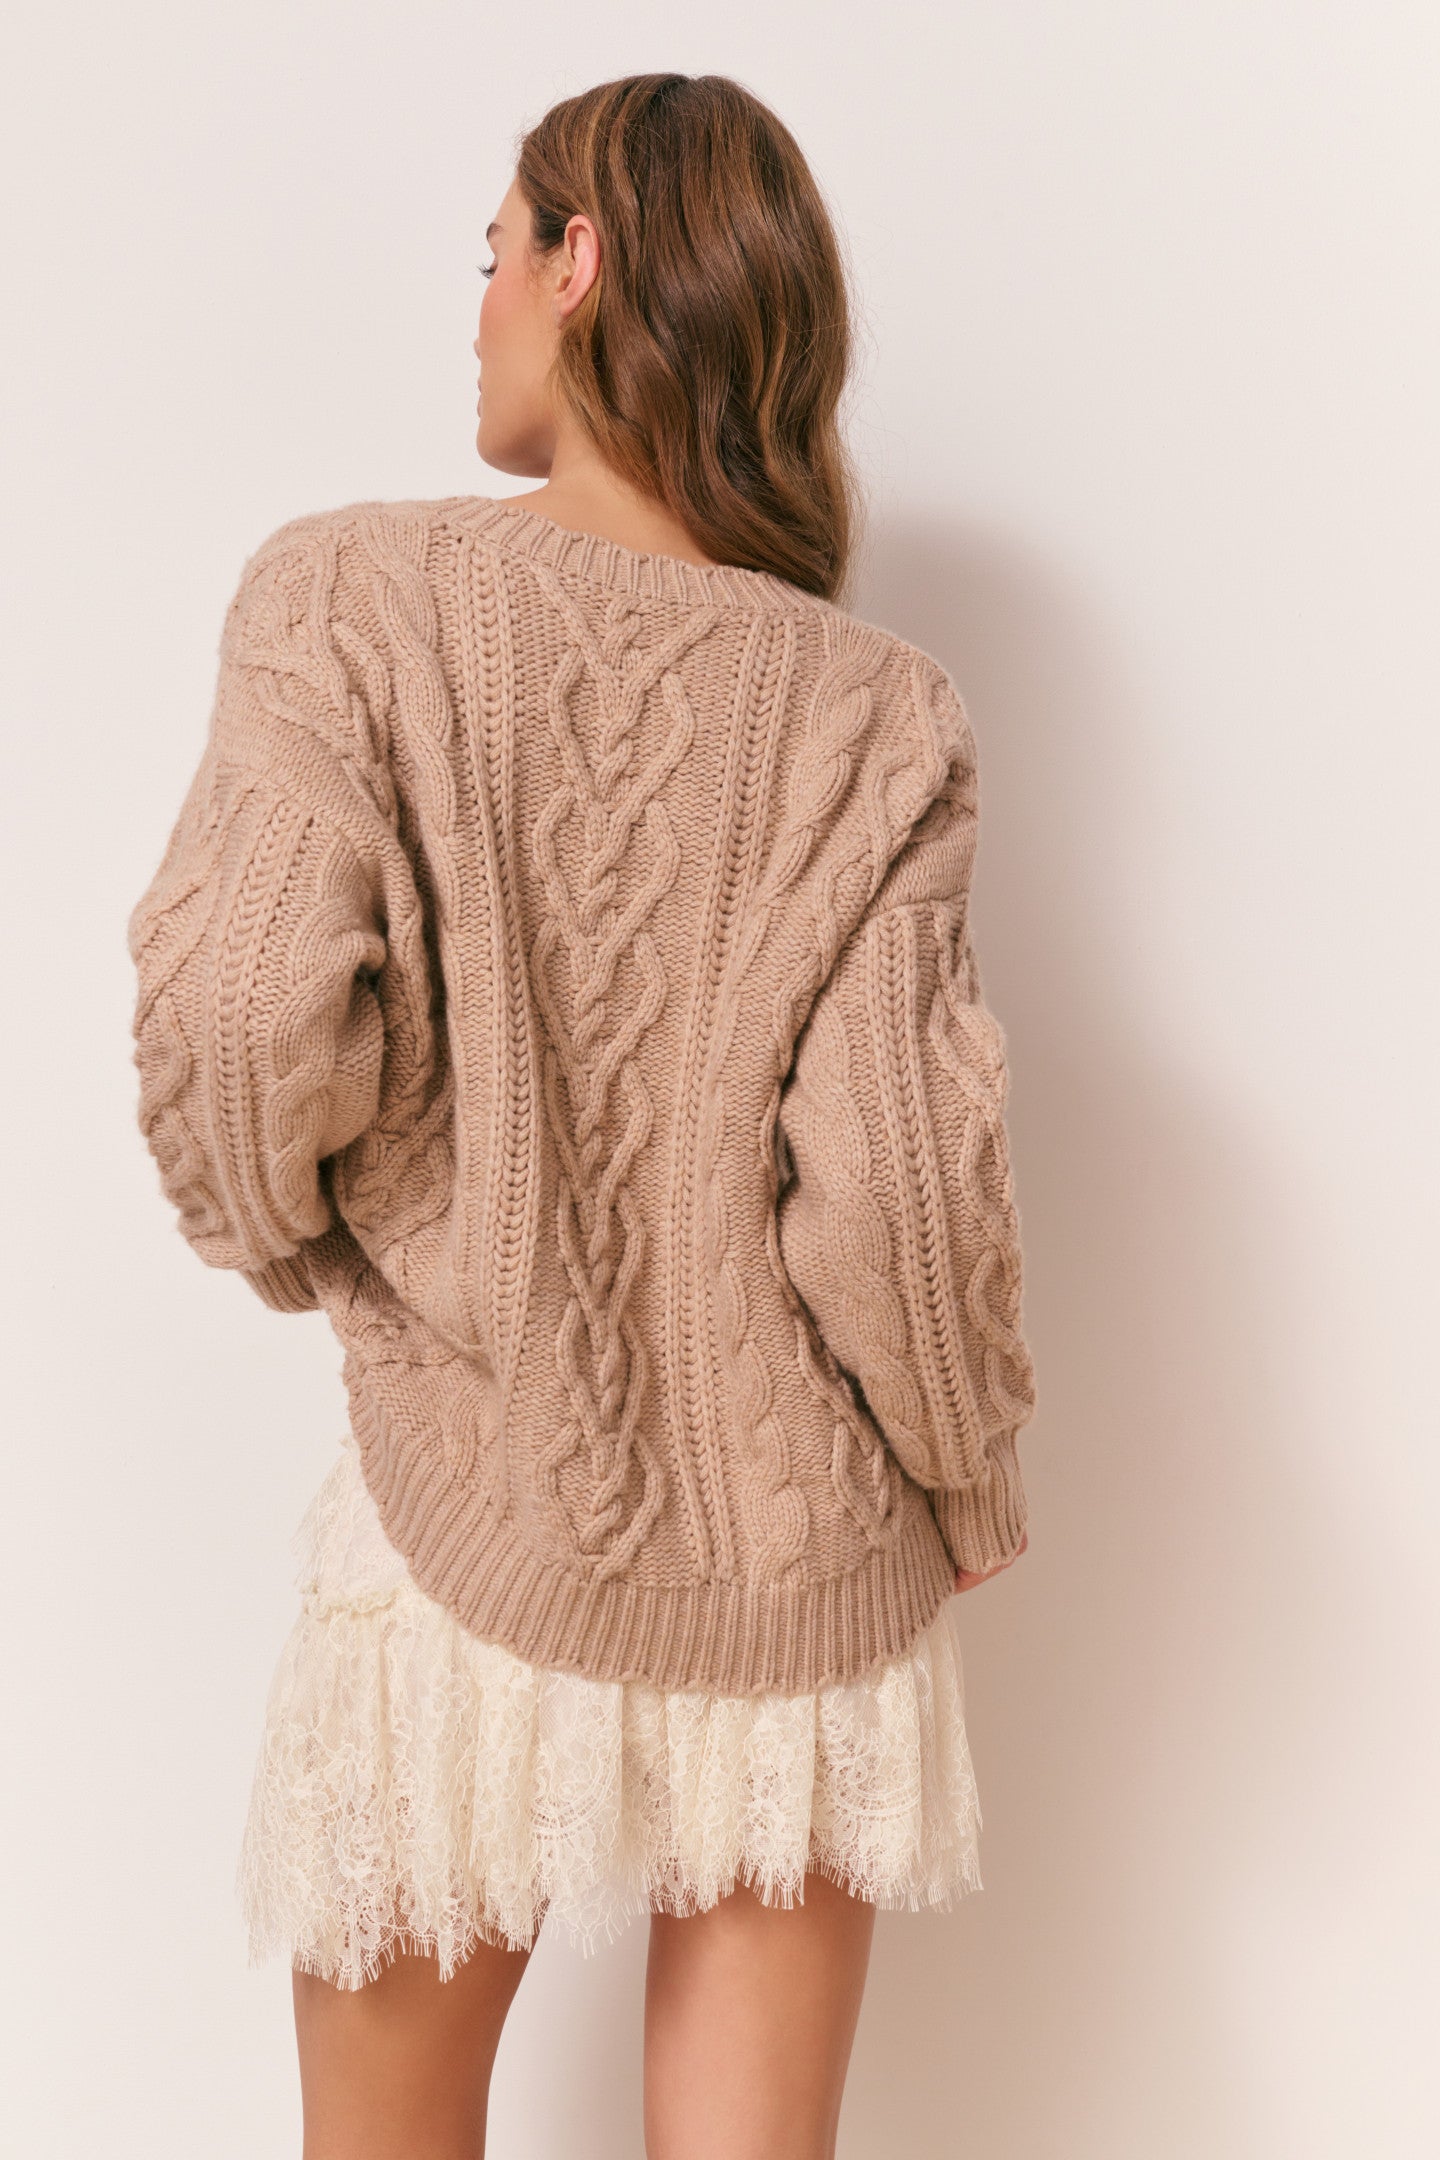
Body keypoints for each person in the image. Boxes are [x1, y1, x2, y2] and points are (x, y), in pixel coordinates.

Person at [125, 71, 1035, 2160]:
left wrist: (317, 1233)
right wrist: (970, 1475)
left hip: (467, 1502)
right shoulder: (876, 711)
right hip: (804, 1563)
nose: (474, 310)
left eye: (491, 255)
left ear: (580, 259)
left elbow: (246, 1010)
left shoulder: (346, 599)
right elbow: (897, 1183)